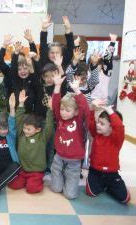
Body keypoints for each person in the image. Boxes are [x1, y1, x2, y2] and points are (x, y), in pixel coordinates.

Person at [50, 71, 90, 199]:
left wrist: (77, 90)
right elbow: (56, 103)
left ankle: (68, 179)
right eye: (62, 109)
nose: (63, 113)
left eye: (68, 110)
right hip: (59, 156)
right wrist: (57, 86)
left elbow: (84, 107)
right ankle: (61, 178)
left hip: (74, 160)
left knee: (70, 195)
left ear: (76, 111)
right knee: (56, 189)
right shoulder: (60, 118)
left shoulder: (79, 120)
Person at [8, 90, 54, 193]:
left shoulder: (42, 136)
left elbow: (49, 126)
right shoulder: (21, 134)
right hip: (22, 170)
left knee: (32, 189)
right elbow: (19, 119)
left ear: (37, 129)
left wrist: (50, 110)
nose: (25, 130)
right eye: (24, 128)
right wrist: (20, 104)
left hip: (36, 171)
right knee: (13, 185)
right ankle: (27, 180)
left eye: (28, 129)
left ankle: (36, 180)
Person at [86, 99, 131, 204]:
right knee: (91, 192)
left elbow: (119, 127)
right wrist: (92, 107)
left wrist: (110, 111)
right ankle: (104, 186)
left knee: (125, 199)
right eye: (98, 122)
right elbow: (90, 121)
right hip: (95, 171)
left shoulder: (116, 139)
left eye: (102, 124)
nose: (98, 125)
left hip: (112, 174)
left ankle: (108, 187)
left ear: (112, 127)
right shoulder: (97, 134)